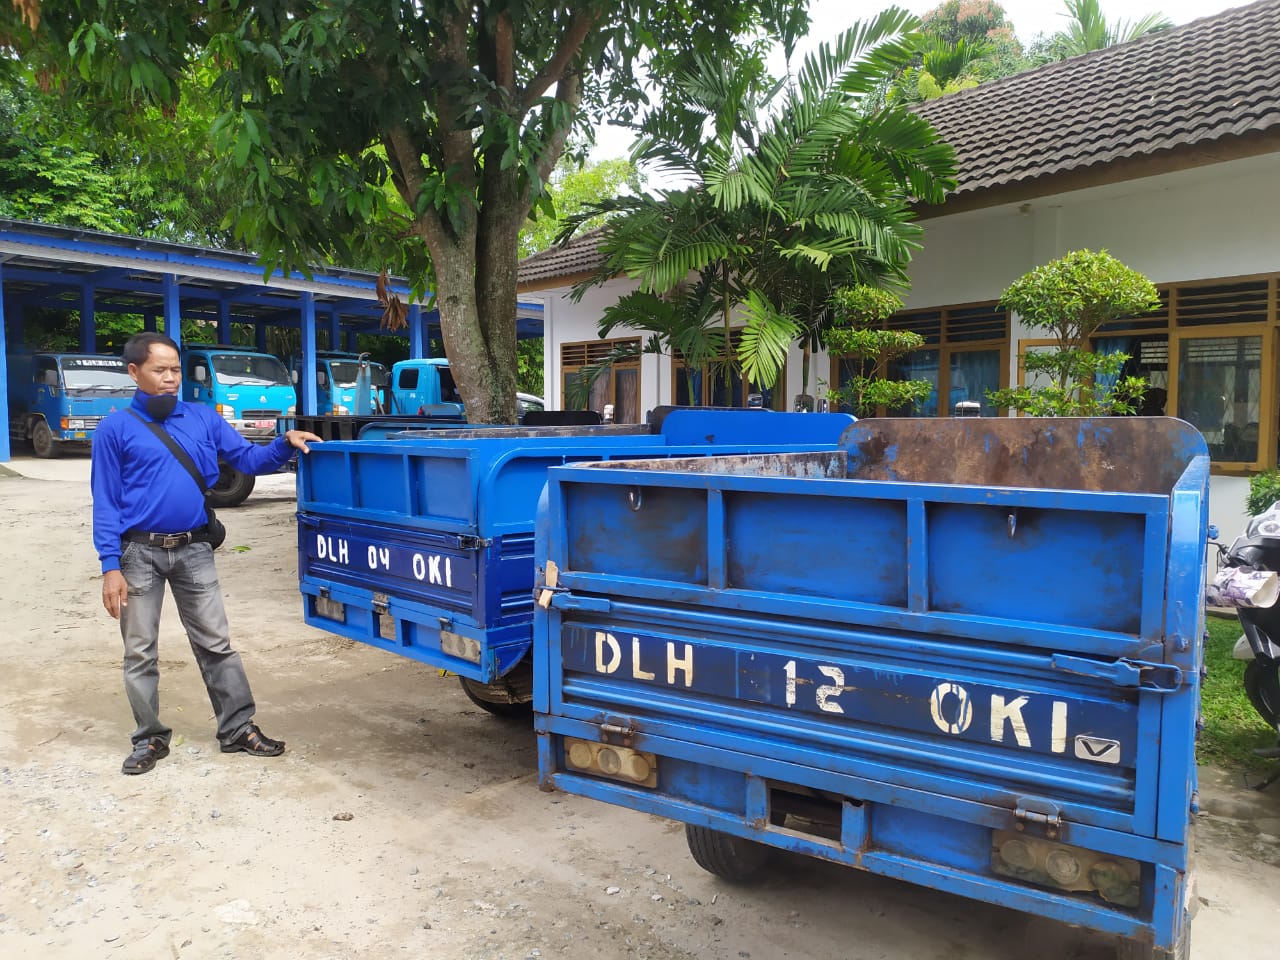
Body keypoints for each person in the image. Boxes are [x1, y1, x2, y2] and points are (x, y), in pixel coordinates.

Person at [91, 332, 323, 775]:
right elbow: (105, 501)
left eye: (176, 369)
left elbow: (248, 460)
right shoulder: (114, 429)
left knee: (216, 643)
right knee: (140, 651)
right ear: (134, 372)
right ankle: (149, 738)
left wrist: (283, 443)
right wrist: (109, 566)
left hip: (195, 548)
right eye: (159, 370)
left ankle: (238, 728)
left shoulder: (202, 418)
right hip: (138, 553)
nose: (170, 378)